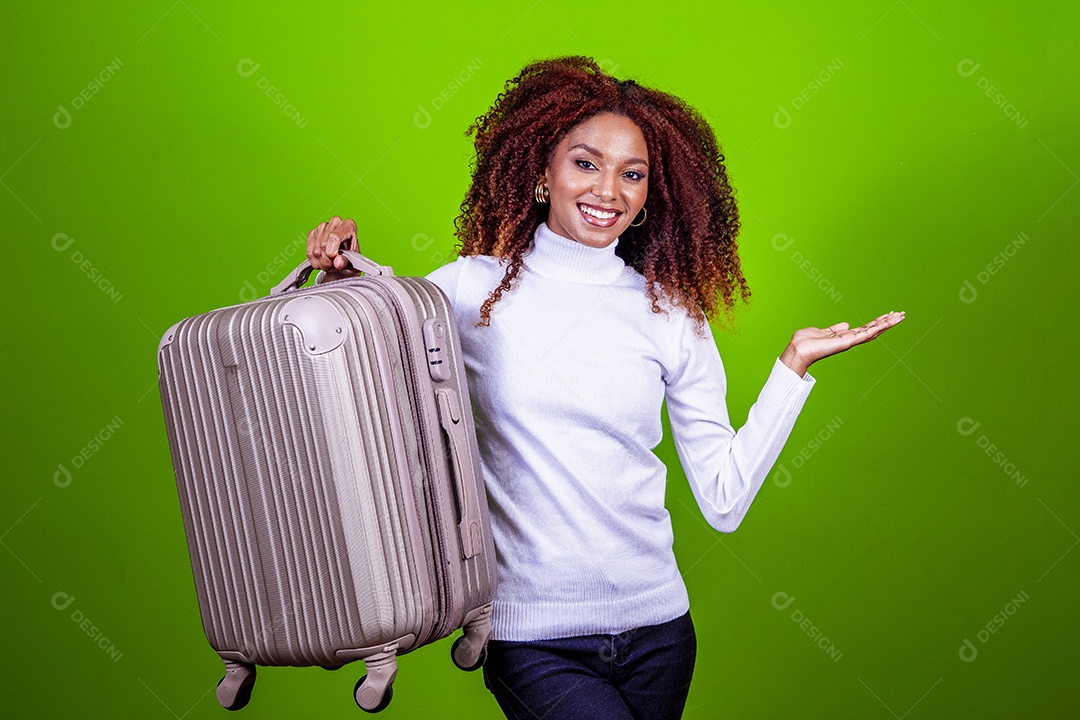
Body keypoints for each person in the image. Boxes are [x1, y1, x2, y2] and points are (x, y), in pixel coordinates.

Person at [305, 56, 904, 720]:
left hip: (660, 635)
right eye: (586, 163)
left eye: (633, 173)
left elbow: (725, 502)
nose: (609, 190)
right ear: (542, 171)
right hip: (531, 638)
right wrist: (342, 282)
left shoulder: (671, 314)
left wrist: (792, 367)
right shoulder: (466, 291)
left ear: (653, 192)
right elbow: (361, 382)